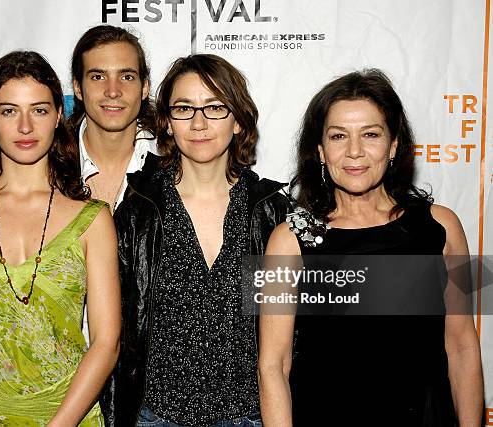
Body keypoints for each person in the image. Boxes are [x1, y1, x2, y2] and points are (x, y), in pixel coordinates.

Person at [258, 69, 484, 426]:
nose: (354, 151)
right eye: (338, 136)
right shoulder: (287, 240)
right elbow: (273, 365)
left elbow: (463, 346)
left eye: (371, 134)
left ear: (394, 145)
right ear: (320, 150)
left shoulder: (443, 226)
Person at [0, 51, 121, 426]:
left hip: (69, 415)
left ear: (58, 116)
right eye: (10, 110)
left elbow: (106, 342)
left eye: (40, 110)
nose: (26, 126)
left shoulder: (93, 220)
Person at [107, 53, 291, 426]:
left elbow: (289, 343)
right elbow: (115, 335)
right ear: (168, 124)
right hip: (155, 417)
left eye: (215, 107)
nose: (199, 123)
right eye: (184, 109)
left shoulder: (271, 213)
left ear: (238, 120)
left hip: (251, 416)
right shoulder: (139, 210)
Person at [70, 24, 157, 214]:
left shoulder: (172, 163)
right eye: (98, 77)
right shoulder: (51, 163)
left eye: (126, 77)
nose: (113, 91)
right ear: (77, 87)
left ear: (145, 87)